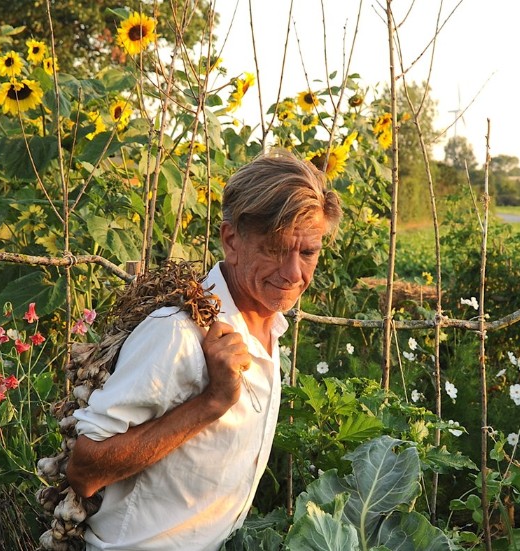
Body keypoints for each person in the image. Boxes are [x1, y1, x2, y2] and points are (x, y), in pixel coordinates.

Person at [66, 149, 342, 550]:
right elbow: (85, 469)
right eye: (275, 249)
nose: (294, 273)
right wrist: (211, 402)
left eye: (308, 252)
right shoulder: (178, 333)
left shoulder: (266, 325)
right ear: (231, 240)